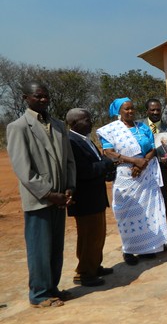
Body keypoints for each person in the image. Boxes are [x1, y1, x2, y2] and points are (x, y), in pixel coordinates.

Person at [6, 81, 76, 308]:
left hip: (59, 199)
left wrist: (69, 187)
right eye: (38, 96)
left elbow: (69, 161)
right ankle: (39, 294)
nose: (44, 100)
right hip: (39, 200)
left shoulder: (57, 125)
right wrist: (47, 193)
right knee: (39, 248)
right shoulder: (18, 127)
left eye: (46, 96)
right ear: (26, 98)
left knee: (56, 247)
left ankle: (52, 288)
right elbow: (23, 169)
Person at [96, 97, 167, 265]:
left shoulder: (142, 127)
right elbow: (109, 152)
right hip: (125, 175)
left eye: (132, 108)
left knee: (147, 211)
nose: (130, 112)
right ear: (119, 111)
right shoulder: (111, 130)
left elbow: (153, 148)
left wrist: (142, 163)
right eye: (126, 109)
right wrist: (133, 161)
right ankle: (128, 250)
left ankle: (147, 247)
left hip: (146, 172)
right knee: (127, 213)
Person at [66, 108, 116, 287]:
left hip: (96, 195)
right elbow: (83, 170)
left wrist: (104, 165)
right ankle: (85, 273)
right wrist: (106, 164)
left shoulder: (85, 140)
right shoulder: (71, 142)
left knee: (98, 234)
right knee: (88, 236)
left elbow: (98, 161)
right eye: (86, 120)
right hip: (85, 198)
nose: (90, 122)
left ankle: (95, 265)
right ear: (74, 123)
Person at [141, 98, 167, 221]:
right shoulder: (138, 126)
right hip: (142, 171)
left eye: (158, 110)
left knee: (161, 200)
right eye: (152, 110)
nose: (155, 112)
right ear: (147, 111)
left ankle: (162, 235)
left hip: (160, 172)